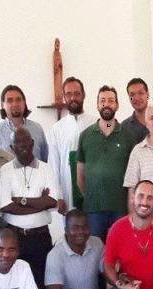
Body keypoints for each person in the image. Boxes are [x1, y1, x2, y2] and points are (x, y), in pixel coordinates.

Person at [0, 127, 60, 289]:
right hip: (15, 238)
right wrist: (39, 202)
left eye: (26, 141)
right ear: (11, 146)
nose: (22, 145)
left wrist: (21, 200)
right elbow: (6, 206)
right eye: (17, 142)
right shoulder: (5, 171)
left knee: (40, 283)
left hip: (40, 237)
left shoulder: (47, 169)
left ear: (32, 143)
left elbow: (52, 201)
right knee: (14, 286)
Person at [77, 85, 137, 242]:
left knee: (121, 250)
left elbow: (135, 175)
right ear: (97, 105)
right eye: (102, 100)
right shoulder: (85, 136)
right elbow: (80, 177)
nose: (106, 104)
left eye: (111, 100)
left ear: (117, 105)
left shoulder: (128, 137)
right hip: (93, 209)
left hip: (121, 208)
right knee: (96, 252)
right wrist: (93, 196)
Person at [49, 76, 96, 215]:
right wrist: (57, 196)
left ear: (84, 95)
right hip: (67, 189)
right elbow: (53, 164)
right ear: (64, 97)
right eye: (68, 94)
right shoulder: (57, 128)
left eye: (77, 93)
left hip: (92, 188)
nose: (73, 98)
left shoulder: (95, 123)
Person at [0, 85, 48, 162]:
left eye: (18, 100)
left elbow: (45, 159)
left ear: (24, 103)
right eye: (10, 100)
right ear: (2, 105)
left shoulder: (37, 129)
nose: (15, 104)